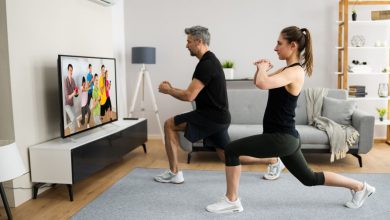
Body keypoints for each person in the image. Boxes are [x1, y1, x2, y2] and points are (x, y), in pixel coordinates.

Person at [206, 26, 375, 213]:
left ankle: (232, 200)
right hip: (287, 138)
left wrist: (262, 68)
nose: (275, 48)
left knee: (230, 150)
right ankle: (360, 187)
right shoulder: (287, 70)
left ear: (292, 45)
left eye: (279, 43)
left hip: (281, 138)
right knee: (309, 178)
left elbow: (263, 82)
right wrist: (260, 69)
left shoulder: (295, 72)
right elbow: (260, 81)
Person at [154, 25, 282, 184]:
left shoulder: (206, 64)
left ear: (198, 41)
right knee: (227, 155)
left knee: (169, 124)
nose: (186, 45)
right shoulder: (209, 61)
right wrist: (172, 89)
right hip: (218, 117)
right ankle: (272, 160)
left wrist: (167, 91)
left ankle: (174, 172)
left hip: (210, 117)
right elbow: (193, 92)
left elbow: (189, 96)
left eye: (189, 41)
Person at [64, 64, 78, 133]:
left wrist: (77, 92)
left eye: (72, 70)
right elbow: (68, 97)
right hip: (67, 104)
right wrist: (73, 93)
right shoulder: (65, 81)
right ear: (67, 70)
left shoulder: (73, 80)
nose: (71, 72)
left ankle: (73, 132)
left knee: (74, 119)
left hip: (72, 104)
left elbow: (76, 93)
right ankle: (72, 134)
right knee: (73, 118)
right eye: (70, 70)